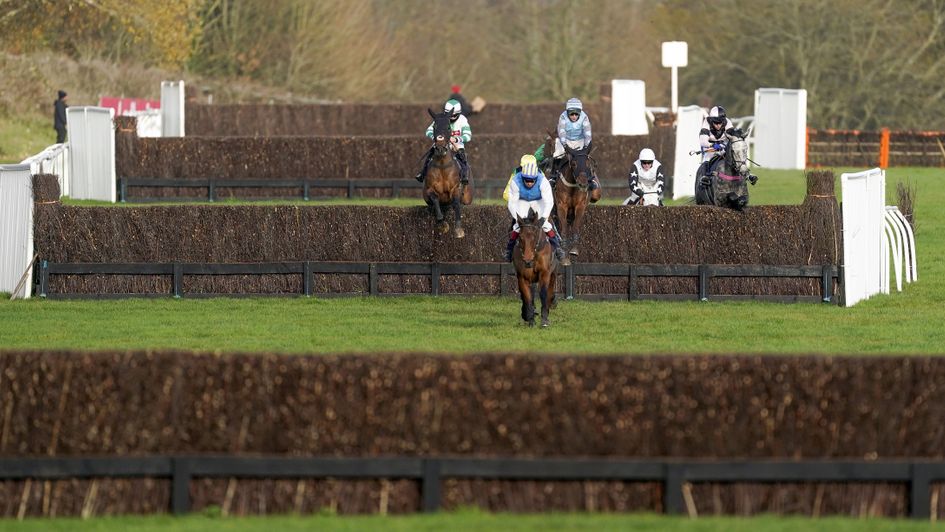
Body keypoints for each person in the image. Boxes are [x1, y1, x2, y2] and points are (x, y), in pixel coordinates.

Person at [505, 157, 566, 262]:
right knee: (517, 226)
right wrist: (518, 219)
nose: (529, 183)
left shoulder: (543, 181)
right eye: (526, 180)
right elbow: (512, 203)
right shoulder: (515, 181)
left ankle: (557, 248)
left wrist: (543, 217)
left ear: (536, 178)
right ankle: (509, 250)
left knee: (546, 224)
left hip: (538, 200)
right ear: (522, 177)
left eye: (532, 180)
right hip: (522, 200)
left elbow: (549, 202)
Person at [414, 99, 472, 183]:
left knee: (462, 156)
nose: (452, 118)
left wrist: (456, 139)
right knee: (430, 154)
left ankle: (464, 175)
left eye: (454, 115)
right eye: (450, 115)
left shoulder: (462, 120)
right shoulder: (440, 118)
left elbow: (468, 135)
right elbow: (428, 131)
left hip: (456, 143)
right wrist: (435, 138)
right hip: (442, 142)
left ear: (459, 113)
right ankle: (422, 173)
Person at [549, 98, 598, 191]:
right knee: (558, 153)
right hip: (566, 140)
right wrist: (565, 146)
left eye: (576, 114)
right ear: (567, 112)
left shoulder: (584, 117)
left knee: (584, 157)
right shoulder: (563, 117)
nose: (574, 116)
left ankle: (590, 179)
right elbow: (561, 132)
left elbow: (587, 134)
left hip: (580, 140)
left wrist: (586, 147)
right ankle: (553, 177)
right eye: (572, 114)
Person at [698, 105, 737, 184]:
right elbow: (702, 141)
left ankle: (745, 175)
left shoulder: (727, 122)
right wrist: (712, 145)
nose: (718, 125)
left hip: (723, 145)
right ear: (712, 120)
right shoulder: (706, 122)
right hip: (710, 147)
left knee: (737, 156)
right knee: (707, 158)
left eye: (720, 122)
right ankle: (705, 177)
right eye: (716, 123)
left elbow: (734, 136)